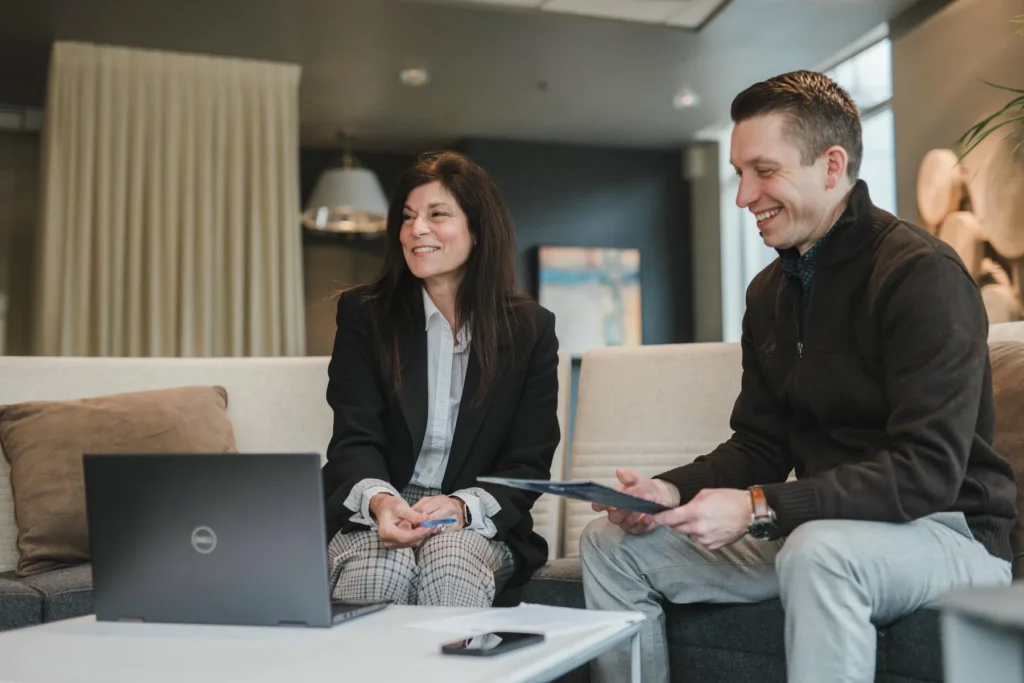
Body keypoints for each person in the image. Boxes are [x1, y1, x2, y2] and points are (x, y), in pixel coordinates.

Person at [580, 70, 1017, 683]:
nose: (743, 196)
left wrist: (759, 507)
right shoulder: (769, 293)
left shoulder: (923, 275)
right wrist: (667, 492)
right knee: (611, 546)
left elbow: (929, 472)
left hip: (948, 533)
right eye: (739, 173)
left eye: (764, 171)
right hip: (822, 527)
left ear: (831, 166)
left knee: (820, 552)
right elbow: (760, 443)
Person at [321, 150, 560, 609]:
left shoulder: (530, 329)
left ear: (479, 228)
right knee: (380, 565)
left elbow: (527, 463)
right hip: (380, 506)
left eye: (437, 215)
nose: (417, 230)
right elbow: (354, 438)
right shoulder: (365, 315)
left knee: (450, 556)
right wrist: (381, 502)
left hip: (473, 514)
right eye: (408, 217)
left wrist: (461, 507)